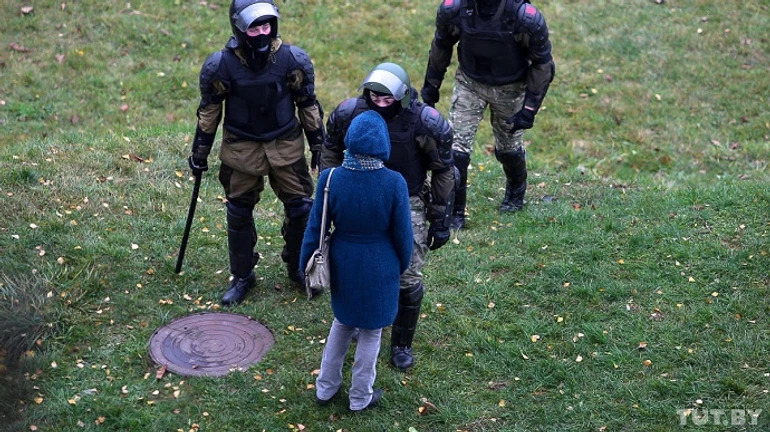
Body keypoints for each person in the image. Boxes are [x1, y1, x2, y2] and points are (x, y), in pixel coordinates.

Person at [187, 0, 326, 305]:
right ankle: (243, 276)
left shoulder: (292, 60)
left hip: (285, 144)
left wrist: (318, 144)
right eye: (254, 28)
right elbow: (209, 112)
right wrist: (200, 152)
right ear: (239, 29)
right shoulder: (220, 66)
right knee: (238, 212)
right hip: (242, 147)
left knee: (301, 207)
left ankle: (297, 266)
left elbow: (307, 103)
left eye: (266, 26)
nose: (261, 33)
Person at [319, 62, 456, 371]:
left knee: (407, 275)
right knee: (359, 263)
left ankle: (402, 343)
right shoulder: (349, 115)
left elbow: (444, 171)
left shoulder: (424, 124)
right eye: (374, 98)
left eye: (387, 100)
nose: (379, 105)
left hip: (407, 199)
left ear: (403, 97)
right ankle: (358, 320)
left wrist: (439, 218)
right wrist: (330, 188)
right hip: (361, 190)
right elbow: (329, 150)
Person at [301, 111, 414, 412]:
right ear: (382, 145)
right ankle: (360, 396)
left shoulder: (331, 178)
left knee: (342, 322)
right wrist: (400, 265)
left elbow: (316, 228)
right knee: (371, 332)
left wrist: (305, 264)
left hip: (344, 261)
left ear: (350, 141)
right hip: (382, 263)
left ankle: (325, 388)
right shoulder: (394, 183)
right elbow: (404, 234)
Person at [421, 0, 556, 229]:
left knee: (508, 149)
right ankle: (455, 213)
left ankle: (515, 194)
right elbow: (441, 46)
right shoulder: (454, 10)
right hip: (469, 83)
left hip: (510, 88)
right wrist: (431, 87)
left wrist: (529, 109)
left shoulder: (524, 17)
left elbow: (542, 63)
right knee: (456, 150)